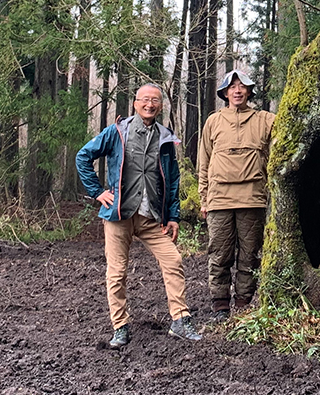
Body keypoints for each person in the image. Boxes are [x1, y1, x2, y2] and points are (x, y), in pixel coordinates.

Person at [76, 83, 202, 348]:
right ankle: (120, 327)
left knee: (173, 260)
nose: (149, 104)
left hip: (151, 217)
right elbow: (83, 156)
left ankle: (180, 320)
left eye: (155, 100)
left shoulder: (165, 138)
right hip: (118, 215)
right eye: (144, 99)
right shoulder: (117, 132)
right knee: (117, 272)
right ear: (135, 103)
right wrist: (97, 192)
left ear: (161, 106)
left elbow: (173, 180)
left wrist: (173, 216)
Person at [198, 70, 275, 321]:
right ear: (225, 93)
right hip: (219, 199)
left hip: (253, 198)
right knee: (220, 254)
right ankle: (220, 306)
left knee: (249, 255)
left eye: (242, 86)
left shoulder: (265, 120)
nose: (238, 90)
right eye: (232, 87)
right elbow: (203, 163)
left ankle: (243, 304)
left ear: (250, 91)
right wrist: (204, 198)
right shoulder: (213, 121)